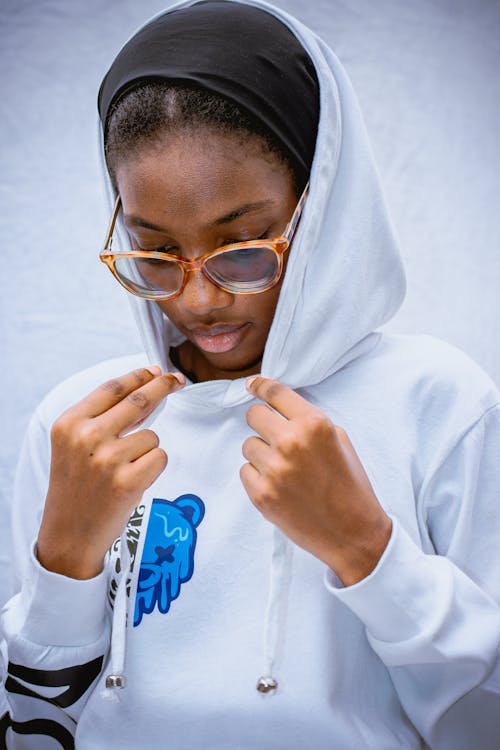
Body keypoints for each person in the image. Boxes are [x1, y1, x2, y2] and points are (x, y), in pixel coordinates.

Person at [1, 0, 500, 747]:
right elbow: (34, 731)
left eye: (243, 249)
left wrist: (368, 551)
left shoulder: (438, 402)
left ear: (323, 208)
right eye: (155, 252)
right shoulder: (82, 427)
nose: (198, 299)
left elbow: (482, 727)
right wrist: (63, 568)